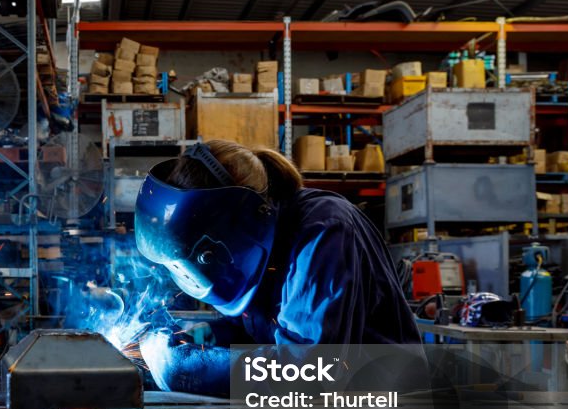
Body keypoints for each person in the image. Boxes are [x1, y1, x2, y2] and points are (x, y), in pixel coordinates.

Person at [134, 139, 422, 396]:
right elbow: (257, 327)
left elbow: (308, 370)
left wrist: (189, 369)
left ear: (240, 224)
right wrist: (205, 335)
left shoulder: (325, 231)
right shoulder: (262, 241)